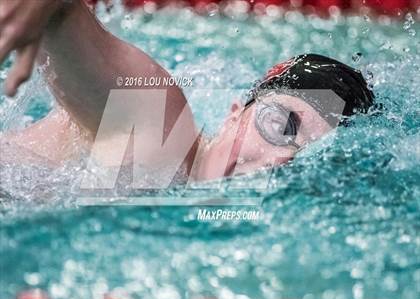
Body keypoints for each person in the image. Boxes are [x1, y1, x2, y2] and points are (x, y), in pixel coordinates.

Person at [0, 0, 374, 185]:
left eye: (306, 162)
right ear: (233, 113)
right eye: (280, 125)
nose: (280, 162)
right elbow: (62, 14)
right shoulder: (161, 127)